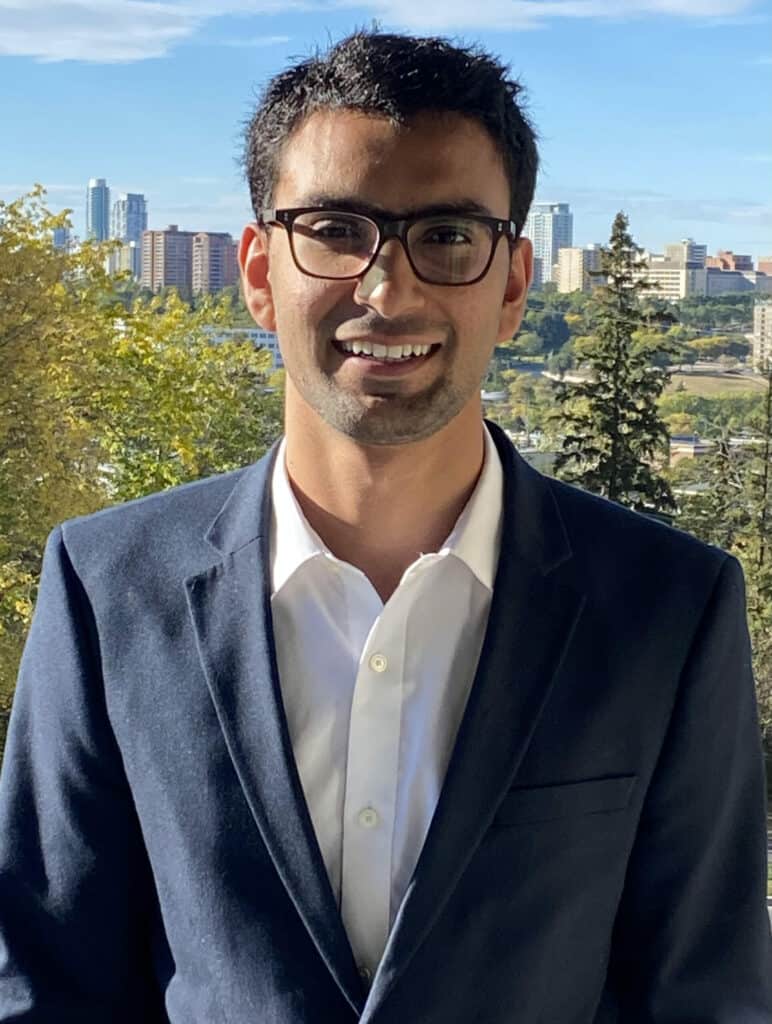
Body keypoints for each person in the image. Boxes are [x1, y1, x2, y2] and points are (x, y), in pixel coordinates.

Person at [0, 29, 770, 1024]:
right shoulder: (107, 588)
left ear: (513, 283)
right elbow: (48, 985)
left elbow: (705, 996)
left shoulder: (668, 607)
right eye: (334, 229)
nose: (387, 289)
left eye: (446, 236)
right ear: (258, 272)